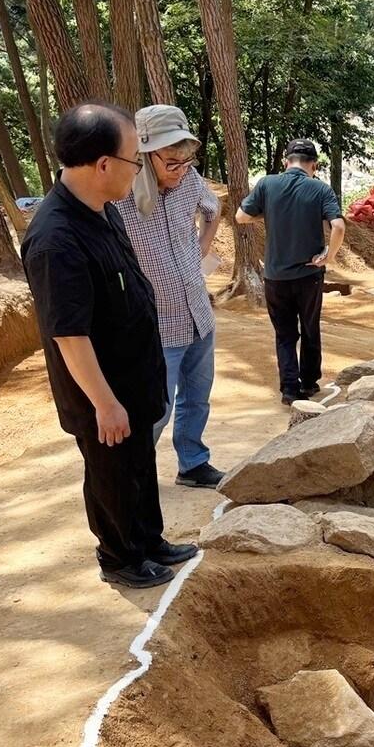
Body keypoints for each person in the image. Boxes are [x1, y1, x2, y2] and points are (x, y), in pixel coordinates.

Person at [20, 103, 197, 589]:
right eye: (134, 160)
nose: (139, 170)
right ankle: (120, 557)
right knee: (112, 475)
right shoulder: (56, 238)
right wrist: (105, 402)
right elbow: (69, 334)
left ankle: (149, 540)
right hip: (103, 390)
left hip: (133, 376)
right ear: (103, 165)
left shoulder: (102, 212)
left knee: (139, 463)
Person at [115, 104, 224, 489]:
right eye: (172, 161)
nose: (181, 169)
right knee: (155, 408)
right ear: (144, 153)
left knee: (198, 397)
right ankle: (136, 476)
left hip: (198, 312)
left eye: (186, 159)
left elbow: (214, 208)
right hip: (157, 324)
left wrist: (200, 250)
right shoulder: (120, 197)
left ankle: (192, 463)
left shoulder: (189, 180)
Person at [235, 139, 346, 405]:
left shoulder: (267, 184)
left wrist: (269, 215)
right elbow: (339, 227)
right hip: (309, 275)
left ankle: (288, 389)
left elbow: (241, 217)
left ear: (286, 162)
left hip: (275, 277)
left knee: (284, 334)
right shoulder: (321, 189)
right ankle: (308, 383)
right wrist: (328, 257)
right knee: (310, 328)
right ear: (314, 166)